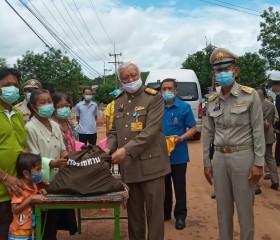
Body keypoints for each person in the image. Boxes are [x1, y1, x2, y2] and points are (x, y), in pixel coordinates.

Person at [203, 48, 265, 240]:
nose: (222, 74)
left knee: (245, 209)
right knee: (223, 209)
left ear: (236, 71)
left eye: (226, 69)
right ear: (214, 74)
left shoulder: (250, 95)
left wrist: (259, 162)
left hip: (243, 157)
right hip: (219, 158)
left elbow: (258, 130)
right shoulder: (212, 101)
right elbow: (208, 132)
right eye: (218, 71)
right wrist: (207, 162)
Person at [104, 62, 171, 240]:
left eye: (133, 75)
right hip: (130, 167)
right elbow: (113, 132)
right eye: (126, 77)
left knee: (154, 215)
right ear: (120, 80)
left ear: (139, 74)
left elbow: (151, 131)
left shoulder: (154, 97)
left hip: (152, 166)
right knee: (134, 215)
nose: (130, 79)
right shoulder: (118, 101)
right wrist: (108, 148)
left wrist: (125, 150)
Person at [26, 89, 77, 240]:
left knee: (53, 221)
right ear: (34, 107)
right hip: (40, 182)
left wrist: (73, 159)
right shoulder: (30, 128)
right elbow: (32, 158)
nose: (47, 105)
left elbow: (62, 150)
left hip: (58, 181)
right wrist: (52, 163)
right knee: (42, 223)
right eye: (43, 103)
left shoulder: (55, 125)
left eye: (49, 101)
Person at [161, 78, 197, 230]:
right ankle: (165, 212)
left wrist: (181, 138)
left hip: (179, 155)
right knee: (164, 187)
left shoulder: (184, 107)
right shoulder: (156, 107)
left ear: (176, 90)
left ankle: (180, 216)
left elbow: (193, 128)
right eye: (164, 89)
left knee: (179, 187)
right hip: (160, 155)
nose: (167, 92)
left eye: (170, 89)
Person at [0, 67, 27, 240]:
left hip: (17, 189)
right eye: (6, 85)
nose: (12, 88)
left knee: (18, 232)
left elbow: (23, 148)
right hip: (2, 188)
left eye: (15, 85)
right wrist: (4, 177)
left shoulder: (17, 114)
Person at [9, 153, 46, 240]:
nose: (40, 172)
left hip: (31, 228)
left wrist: (38, 193)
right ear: (26, 173)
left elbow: (33, 198)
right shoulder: (19, 188)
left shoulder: (33, 185)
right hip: (20, 232)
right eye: (38, 169)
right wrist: (30, 198)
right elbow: (14, 209)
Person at [254, 87, 279, 193]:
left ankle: (256, 185)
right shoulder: (271, 105)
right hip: (268, 134)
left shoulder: (253, 105)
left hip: (256, 135)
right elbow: (276, 118)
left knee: (255, 158)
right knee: (269, 157)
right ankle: (275, 180)